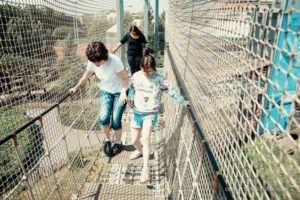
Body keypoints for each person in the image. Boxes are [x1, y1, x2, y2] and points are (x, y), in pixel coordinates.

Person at [127, 53, 190, 183]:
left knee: (145, 138)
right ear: (140, 67)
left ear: (154, 68)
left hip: (150, 113)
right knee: (133, 140)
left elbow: (171, 90)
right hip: (137, 112)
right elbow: (131, 89)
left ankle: (145, 170)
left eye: (150, 71)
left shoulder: (159, 79)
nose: (147, 73)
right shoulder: (136, 77)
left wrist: (182, 101)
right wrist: (130, 99)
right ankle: (140, 151)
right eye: (145, 71)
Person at [70, 42, 128, 157]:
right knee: (103, 118)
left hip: (119, 91)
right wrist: (76, 87)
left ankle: (118, 143)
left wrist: (123, 93)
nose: (96, 64)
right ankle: (107, 140)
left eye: (98, 61)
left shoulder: (115, 61)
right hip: (106, 91)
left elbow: (125, 79)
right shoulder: (92, 62)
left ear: (104, 56)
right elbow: (86, 76)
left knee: (116, 120)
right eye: (94, 62)